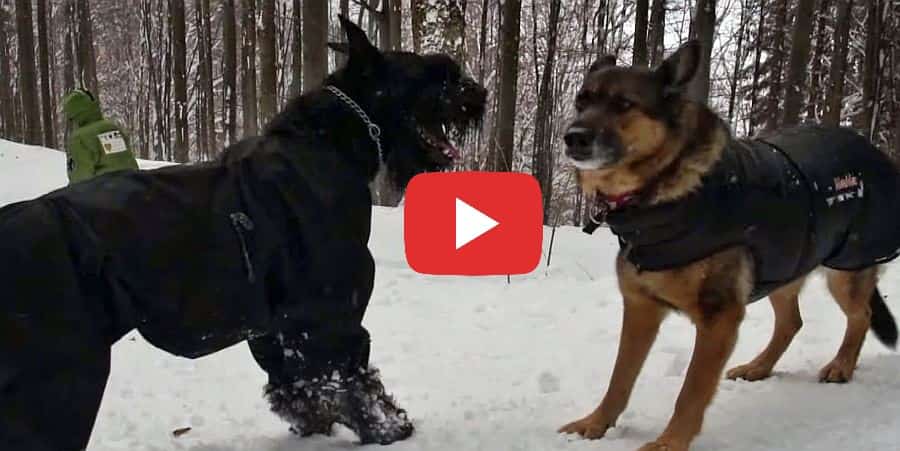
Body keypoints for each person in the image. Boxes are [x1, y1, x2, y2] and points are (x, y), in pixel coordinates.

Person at [61, 88, 139, 183]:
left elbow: (80, 177)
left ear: (73, 113)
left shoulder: (79, 138)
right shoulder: (114, 128)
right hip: (133, 187)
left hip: (104, 193)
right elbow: (128, 161)